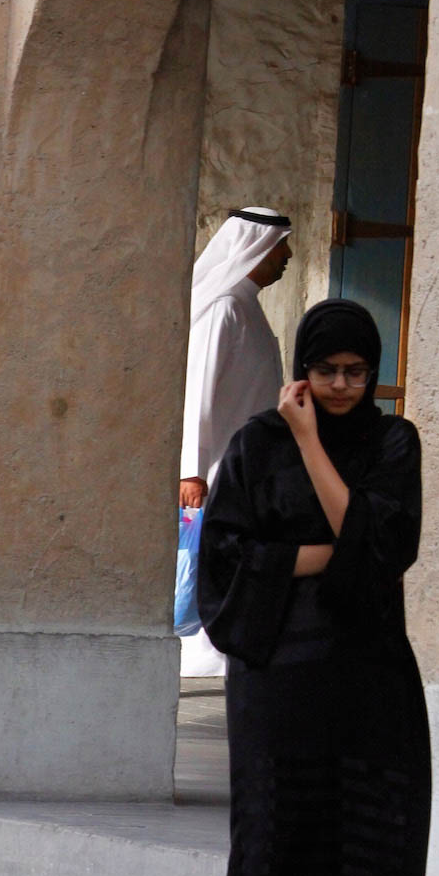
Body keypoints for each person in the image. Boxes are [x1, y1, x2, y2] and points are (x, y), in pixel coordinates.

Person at [198, 299, 430, 876]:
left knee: (368, 853)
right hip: (277, 681)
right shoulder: (257, 444)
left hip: (369, 683)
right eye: (326, 370)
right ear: (302, 370)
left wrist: (310, 444)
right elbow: (223, 558)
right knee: (273, 847)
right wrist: (334, 554)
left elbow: (386, 544)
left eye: (356, 372)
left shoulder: (392, 442)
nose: (340, 386)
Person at [178, 207, 293, 675]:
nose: (287, 256)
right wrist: (192, 469)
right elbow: (197, 392)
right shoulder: (224, 308)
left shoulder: (247, 306)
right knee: (214, 560)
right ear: (255, 248)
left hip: (250, 466)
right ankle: (201, 653)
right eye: (281, 247)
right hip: (219, 467)